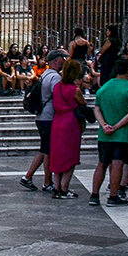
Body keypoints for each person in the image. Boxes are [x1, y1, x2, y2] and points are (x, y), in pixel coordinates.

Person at [89, 58, 128, 207]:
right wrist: (116, 127)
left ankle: (94, 195)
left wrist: (104, 125)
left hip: (104, 134)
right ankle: (113, 195)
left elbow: (97, 108)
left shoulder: (104, 88)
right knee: (117, 164)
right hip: (123, 134)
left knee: (102, 163)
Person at [20, 49, 66, 192]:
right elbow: (57, 96)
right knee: (47, 150)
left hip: (42, 116)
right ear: (55, 61)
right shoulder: (55, 77)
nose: (64, 62)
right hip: (48, 117)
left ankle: (31, 177)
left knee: (45, 149)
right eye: (62, 59)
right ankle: (41, 180)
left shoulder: (45, 74)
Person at [49, 59, 85, 199]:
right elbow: (82, 103)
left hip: (57, 122)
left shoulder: (57, 87)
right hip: (70, 123)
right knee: (70, 156)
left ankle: (56, 187)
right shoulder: (75, 90)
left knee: (57, 155)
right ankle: (65, 187)